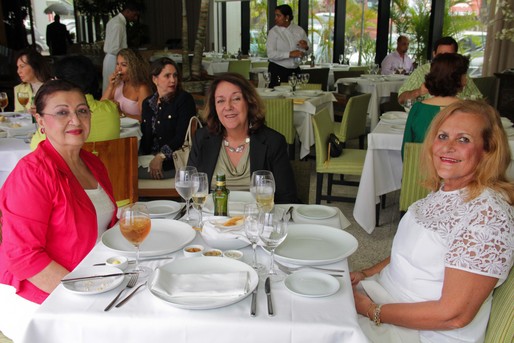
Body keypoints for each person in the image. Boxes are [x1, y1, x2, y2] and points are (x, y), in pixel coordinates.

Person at [351, 100, 514, 343]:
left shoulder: (486, 216)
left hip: (424, 331)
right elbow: (416, 251)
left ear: (488, 150)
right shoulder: (448, 190)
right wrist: (366, 273)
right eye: (443, 136)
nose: (447, 147)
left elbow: (453, 315)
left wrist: (370, 310)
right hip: (389, 300)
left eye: (463, 139)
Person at [0, 80, 118, 341]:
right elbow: (23, 258)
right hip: (44, 300)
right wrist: (85, 295)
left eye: (82, 111)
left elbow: (104, 225)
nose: (75, 120)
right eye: (62, 112)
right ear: (41, 120)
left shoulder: (92, 162)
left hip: (94, 280)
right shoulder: (32, 174)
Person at [188, 72, 298, 203]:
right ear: (214, 107)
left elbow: (287, 199)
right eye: (220, 101)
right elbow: (191, 193)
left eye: (236, 99)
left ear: (249, 102)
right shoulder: (202, 139)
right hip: (212, 219)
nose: (228, 107)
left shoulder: (273, 142)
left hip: (256, 220)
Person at [30, 55, 121, 150]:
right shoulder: (111, 109)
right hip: (110, 164)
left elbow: (35, 146)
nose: (76, 122)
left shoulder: (52, 120)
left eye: (83, 111)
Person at [401, 53, 469, 158]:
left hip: (419, 171)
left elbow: (406, 151)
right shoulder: (468, 111)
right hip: (456, 172)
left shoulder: (418, 109)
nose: (466, 80)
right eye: (464, 75)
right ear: (456, 79)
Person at [139, 58, 196, 179]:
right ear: (155, 79)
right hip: (148, 158)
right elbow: (145, 137)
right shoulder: (148, 103)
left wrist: (160, 156)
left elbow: (180, 137)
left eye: (175, 75)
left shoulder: (184, 100)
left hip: (174, 162)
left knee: (129, 176)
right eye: (167, 76)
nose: (173, 80)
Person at [398, 36, 481, 105]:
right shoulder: (422, 72)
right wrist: (418, 91)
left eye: (449, 56)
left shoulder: (461, 75)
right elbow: (401, 99)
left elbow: (480, 101)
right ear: (434, 54)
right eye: (441, 56)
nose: (444, 60)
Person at [266, 4, 310, 88]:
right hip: (278, 70)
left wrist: (306, 47)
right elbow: (270, 54)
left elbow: (309, 50)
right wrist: (289, 54)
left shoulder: (299, 30)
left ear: (287, 17)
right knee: (279, 99)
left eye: (278, 16)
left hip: (295, 70)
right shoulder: (273, 32)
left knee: (297, 95)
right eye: (275, 15)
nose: (275, 18)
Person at [102, 48, 152, 120]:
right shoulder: (118, 84)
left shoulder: (142, 88)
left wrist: (121, 113)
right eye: (117, 64)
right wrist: (110, 86)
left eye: (124, 65)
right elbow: (100, 108)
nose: (118, 69)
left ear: (134, 68)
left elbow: (146, 119)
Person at [102, 2, 141, 93]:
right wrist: (129, 55)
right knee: (114, 87)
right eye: (134, 14)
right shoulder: (118, 24)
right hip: (114, 59)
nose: (135, 18)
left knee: (112, 86)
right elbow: (114, 48)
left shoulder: (115, 21)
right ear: (127, 11)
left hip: (113, 58)